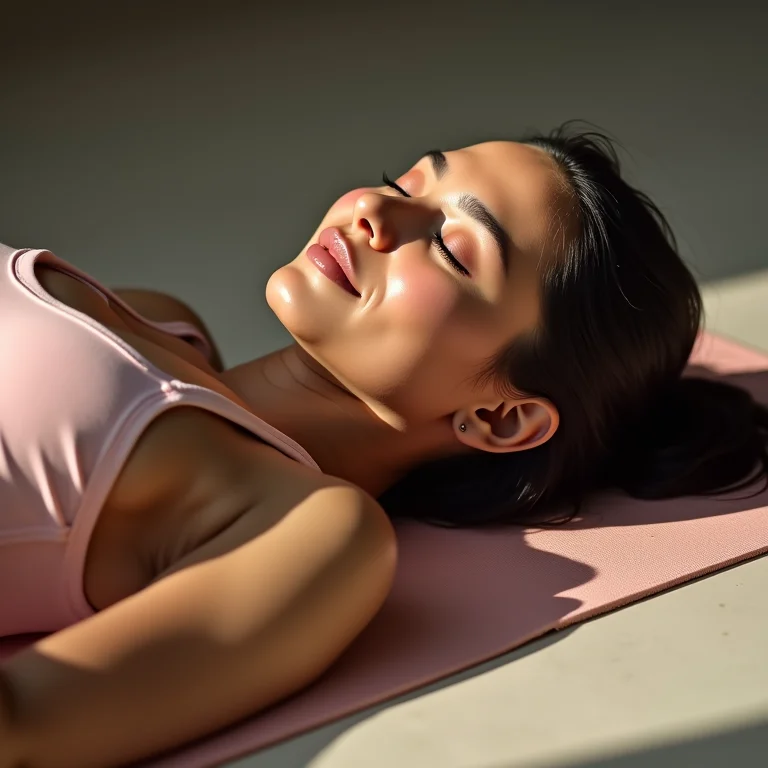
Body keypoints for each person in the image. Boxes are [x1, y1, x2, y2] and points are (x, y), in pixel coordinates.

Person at [1, 122, 766, 767]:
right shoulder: (159, 319)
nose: (372, 210)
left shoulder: (312, 534)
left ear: (503, 420)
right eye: (405, 187)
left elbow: (25, 727)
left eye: (455, 250)